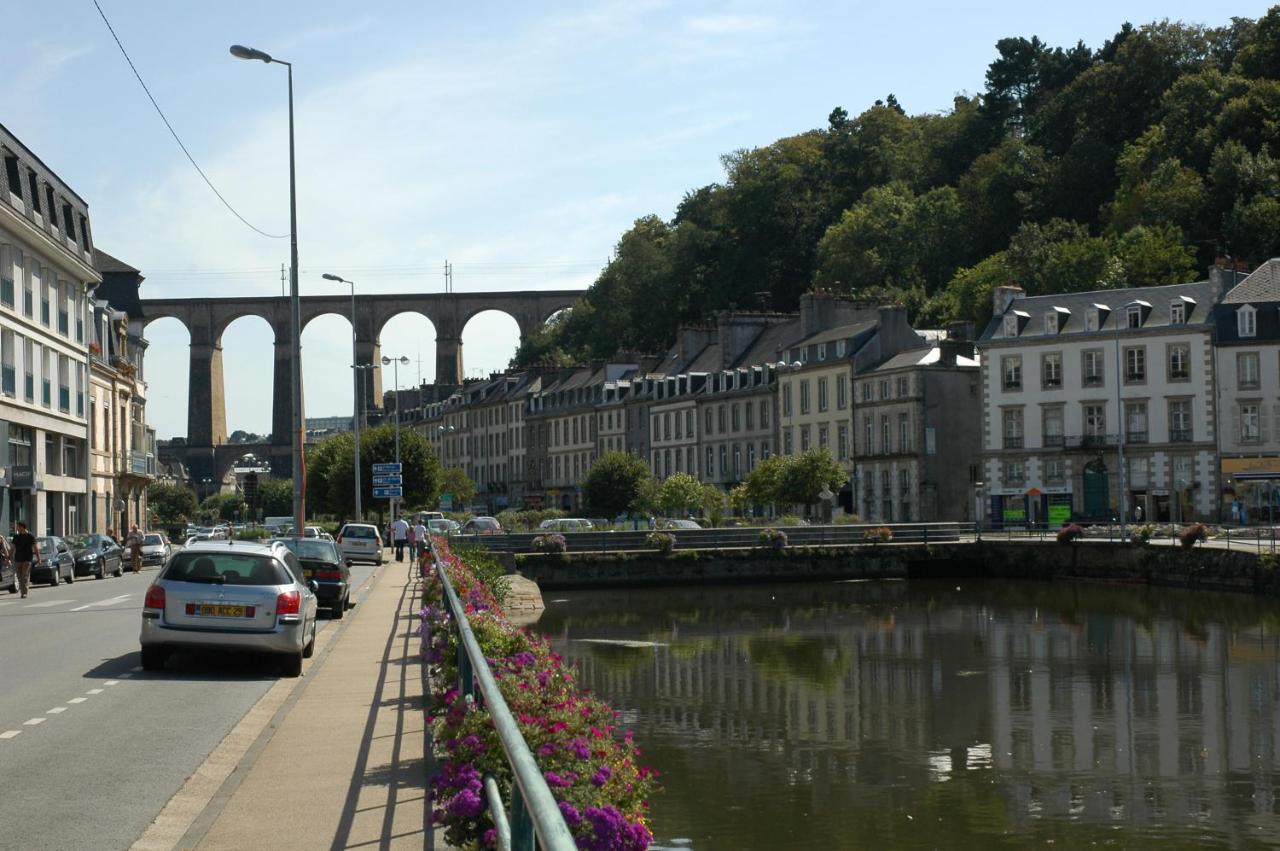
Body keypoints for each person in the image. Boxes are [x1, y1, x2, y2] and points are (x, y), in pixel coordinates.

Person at [11, 521, 38, 599]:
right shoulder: (16, 536)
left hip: (27, 559)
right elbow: (12, 548)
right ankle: (23, 591)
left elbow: (35, 548)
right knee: (19, 577)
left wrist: (38, 558)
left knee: (24, 576)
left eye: (18, 527)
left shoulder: (30, 536)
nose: (17, 528)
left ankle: (24, 593)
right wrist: (9, 557)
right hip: (18, 559)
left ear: (22, 527)